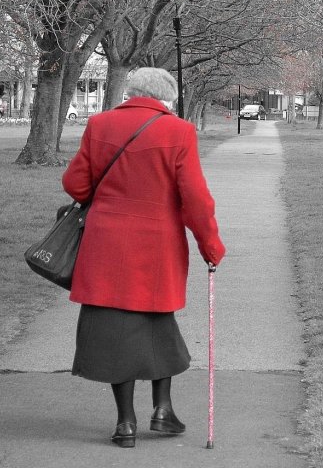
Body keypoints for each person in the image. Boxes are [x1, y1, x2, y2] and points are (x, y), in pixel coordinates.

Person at [62, 67, 225, 448]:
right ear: (165, 97)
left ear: (130, 92)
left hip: (105, 246)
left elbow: (75, 184)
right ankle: (162, 410)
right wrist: (211, 246)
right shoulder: (179, 130)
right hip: (156, 245)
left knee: (116, 329)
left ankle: (126, 423)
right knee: (157, 323)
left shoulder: (99, 124)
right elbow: (195, 200)